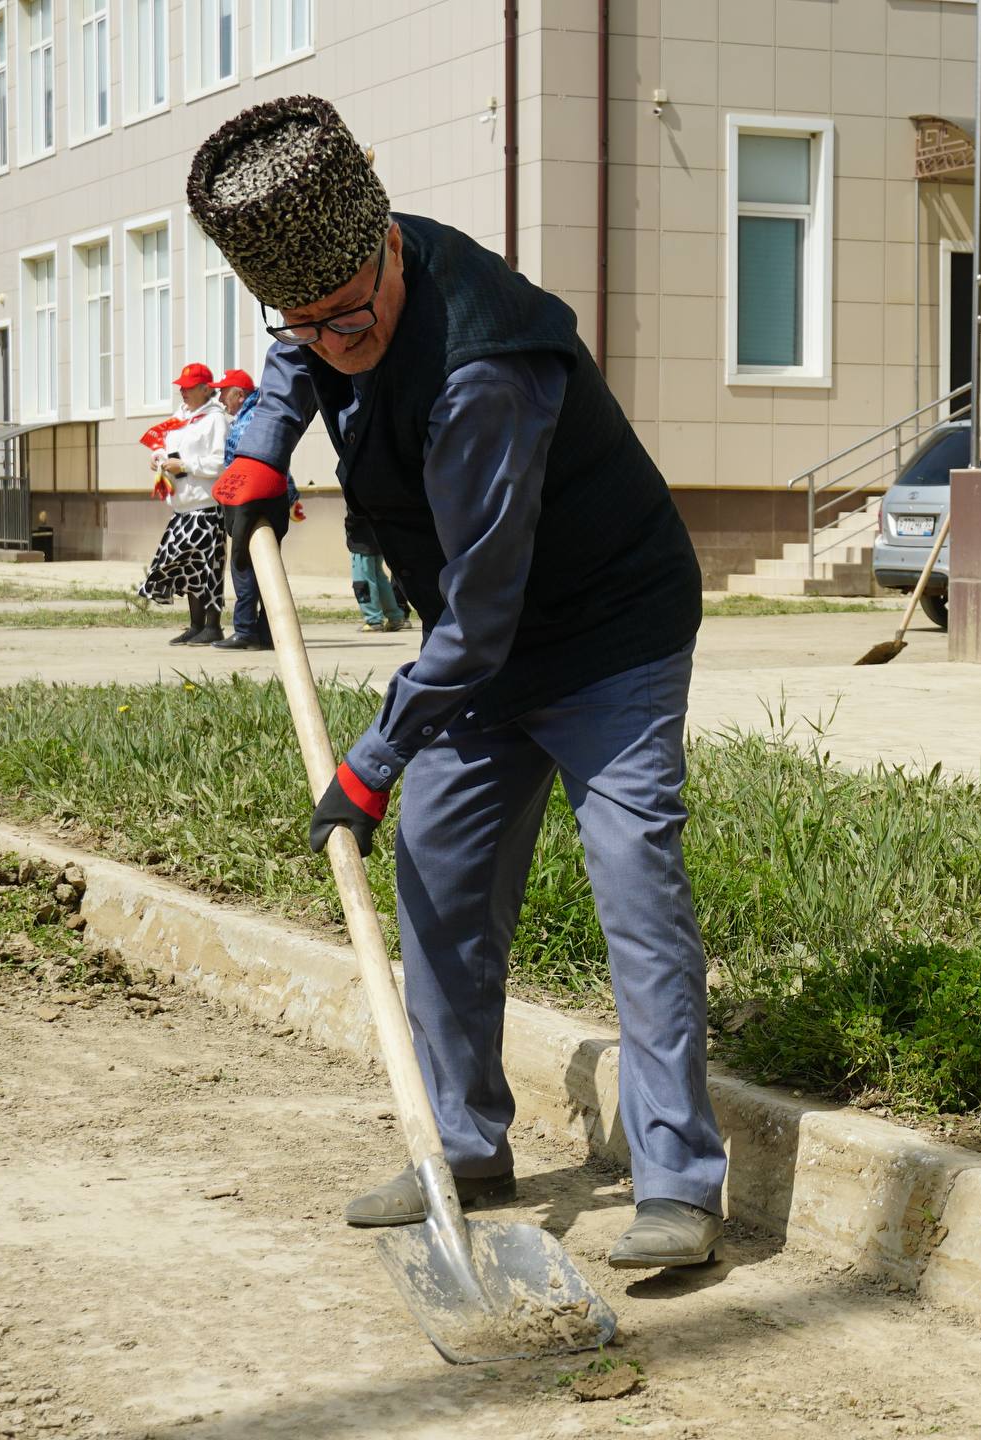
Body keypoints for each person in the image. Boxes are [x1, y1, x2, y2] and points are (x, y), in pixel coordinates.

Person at [190, 96, 723, 1268]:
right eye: (304, 323)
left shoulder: (485, 365)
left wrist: (371, 759)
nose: (332, 342)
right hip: (478, 656)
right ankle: (467, 1146)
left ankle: (678, 1179)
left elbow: (482, 619)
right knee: (438, 873)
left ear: (387, 239)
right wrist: (259, 452)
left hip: (603, 637)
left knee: (633, 880)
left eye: (347, 319)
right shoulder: (329, 299)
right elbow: (288, 359)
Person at [134, 363, 230, 646]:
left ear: (205, 389)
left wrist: (186, 465)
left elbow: (221, 462)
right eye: (181, 387)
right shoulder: (180, 417)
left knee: (207, 567)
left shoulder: (216, 420)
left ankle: (212, 626)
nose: (182, 391)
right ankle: (195, 625)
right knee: (186, 567)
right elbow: (165, 444)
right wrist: (159, 456)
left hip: (207, 508)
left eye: (188, 387)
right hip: (182, 508)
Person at [212, 366, 304, 652]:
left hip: (248, 494)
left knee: (243, 563)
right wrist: (290, 496)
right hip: (272, 492)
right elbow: (276, 457)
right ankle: (267, 632)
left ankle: (245, 631)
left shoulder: (245, 421)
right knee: (267, 561)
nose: (220, 399)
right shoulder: (265, 414)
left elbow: (249, 461)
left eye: (223, 392)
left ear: (240, 394)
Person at [345, 510, 408, 633]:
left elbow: (354, 514)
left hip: (361, 541)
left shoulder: (357, 491)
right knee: (381, 580)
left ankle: (374, 620)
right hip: (377, 539)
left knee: (363, 582)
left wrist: (348, 525)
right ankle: (395, 617)